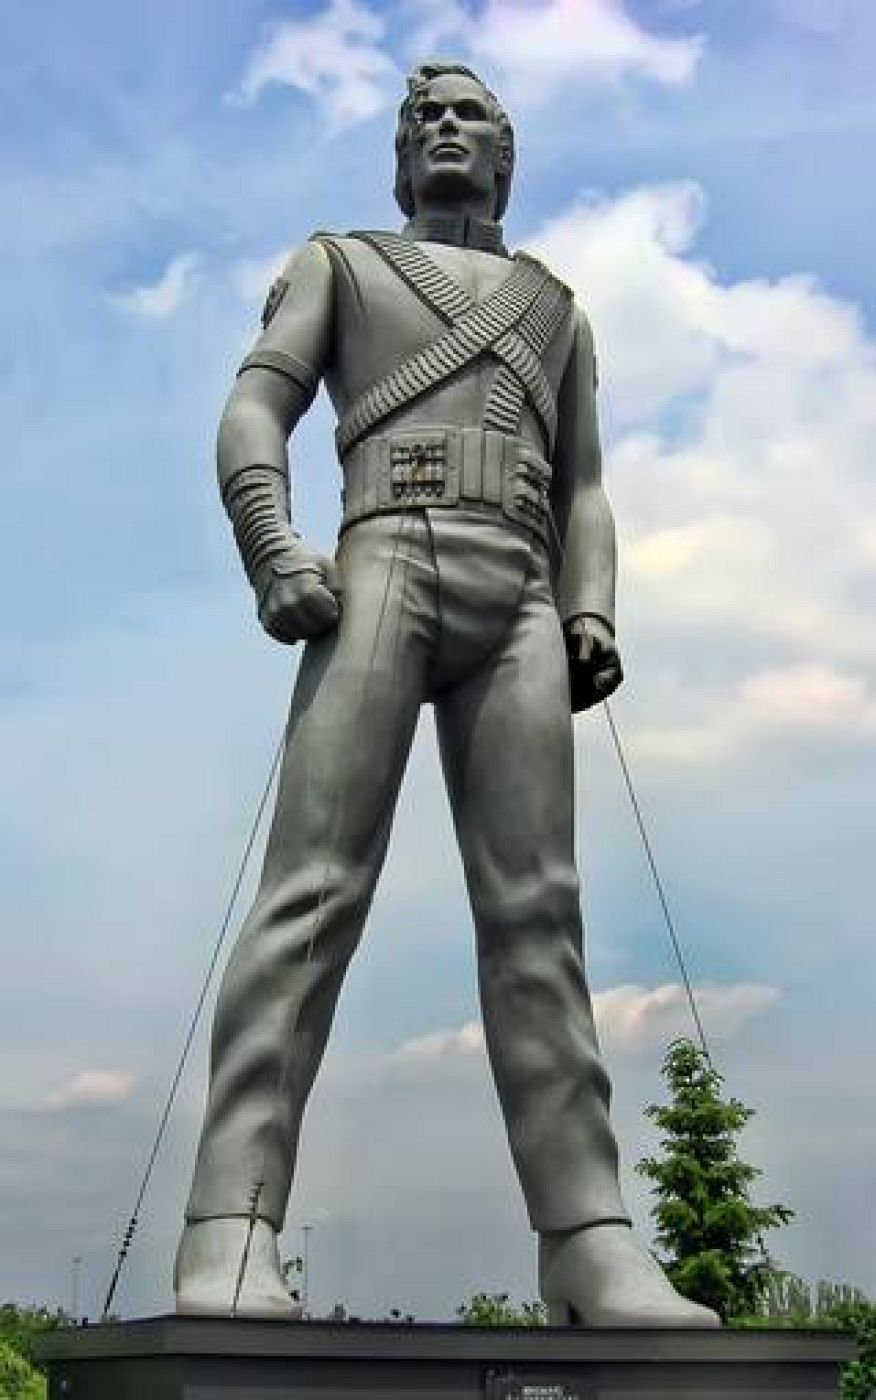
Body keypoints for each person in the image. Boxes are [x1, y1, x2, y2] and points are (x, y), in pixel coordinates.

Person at [174, 61, 718, 1328]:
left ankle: (589, 1237)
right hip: (381, 561)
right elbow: (258, 404)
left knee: (541, 915)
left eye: (468, 115)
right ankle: (231, 1225)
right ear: (398, 158)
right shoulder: (343, 264)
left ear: (509, 154)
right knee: (311, 890)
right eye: (422, 119)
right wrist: (273, 542)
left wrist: (590, 607)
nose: (443, 130)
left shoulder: (558, 308)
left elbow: (585, 481)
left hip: (518, 587)